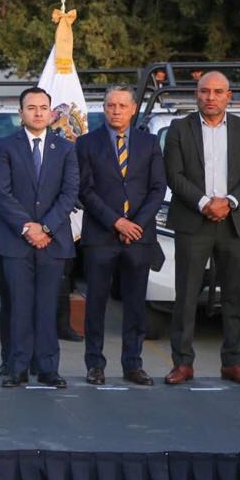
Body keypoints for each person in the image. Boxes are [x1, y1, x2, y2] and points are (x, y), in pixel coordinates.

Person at [162, 71, 240, 385]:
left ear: (229, 96)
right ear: (196, 94)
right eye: (205, 91)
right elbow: (174, 175)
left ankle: (233, 362)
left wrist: (229, 201)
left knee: (236, 295)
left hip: (235, 222)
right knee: (187, 295)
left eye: (218, 92)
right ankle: (182, 363)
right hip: (194, 220)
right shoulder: (179, 128)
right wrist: (206, 201)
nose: (211, 97)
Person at [0, 87, 79, 389]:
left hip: (52, 241)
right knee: (18, 305)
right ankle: (17, 367)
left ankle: (48, 368)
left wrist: (46, 228)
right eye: (31, 107)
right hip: (14, 240)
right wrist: (28, 228)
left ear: (52, 113)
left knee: (48, 305)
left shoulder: (65, 148)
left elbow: (69, 194)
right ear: (21, 112)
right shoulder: (5, 146)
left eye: (43, 107)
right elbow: (2, 192)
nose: (38, 113)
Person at [76, 86, 167, 386]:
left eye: (121, 105)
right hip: (101, 236)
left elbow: (157, 189)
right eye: (110, 105)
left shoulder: (150, 143)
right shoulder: (87, 143)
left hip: (138, 237)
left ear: (133, 108)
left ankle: (133, 364)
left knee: (135, 305)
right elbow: (84, 190)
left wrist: (135, 224)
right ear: (103, 108)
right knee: (96, 304)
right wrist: (116, 222)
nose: (116, 110)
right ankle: (95, 365)